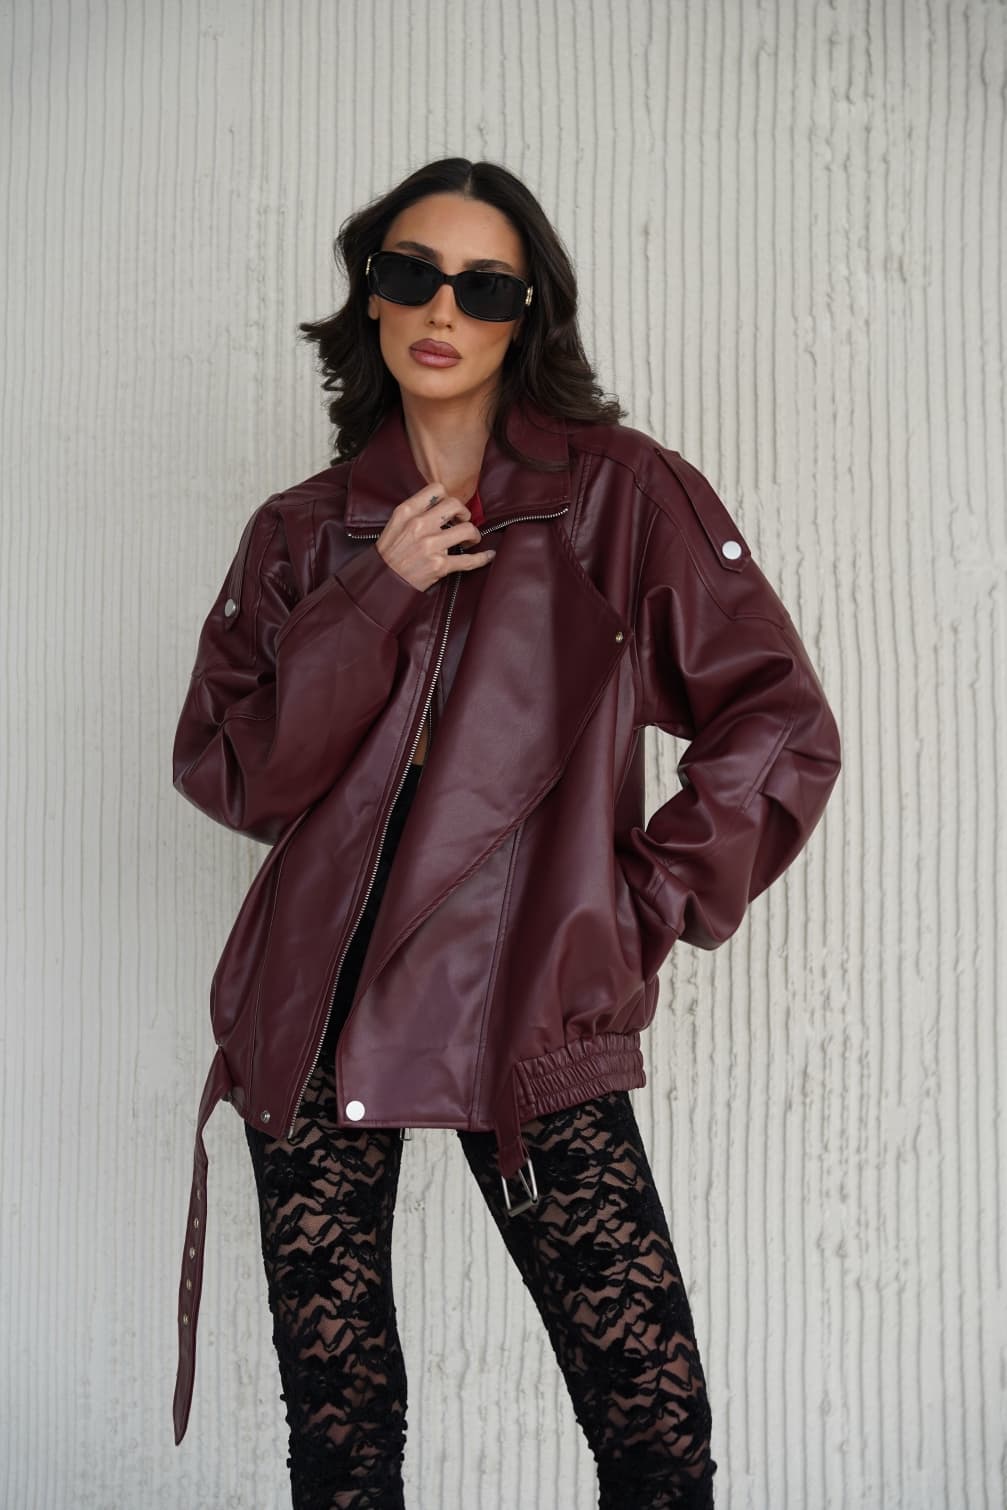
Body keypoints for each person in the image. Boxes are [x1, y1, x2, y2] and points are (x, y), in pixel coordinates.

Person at [170, 157, 841, 1509]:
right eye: (412, 272)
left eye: (485, 287)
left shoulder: (622, 496)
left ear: (528, 313)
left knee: (655, 1430)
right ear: (371, 293)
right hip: (314, 993)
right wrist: (375, 592)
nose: (443, 309)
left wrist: (632, 909)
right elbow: (241, 772)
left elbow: (776, 720)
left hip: (531, 983)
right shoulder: (302, 532)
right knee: (343, 1442)